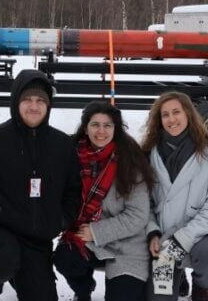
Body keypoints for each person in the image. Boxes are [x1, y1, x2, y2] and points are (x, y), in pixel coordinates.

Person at [0, 69, 82, 301]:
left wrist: (61, 219)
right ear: (16, 101)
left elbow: (73, 190)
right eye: (27, 100)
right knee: (3, 261)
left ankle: (21, 274)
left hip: (36, 237)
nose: (34, 106)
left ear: (48, 105)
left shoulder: (62, 145)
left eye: (40, 101)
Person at [54, 101, 156, 301]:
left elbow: (137, 215)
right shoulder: (72, 157)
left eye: (107, 125)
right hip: (87, 240)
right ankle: (83, 290)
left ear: (115, 129)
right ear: (85, 128)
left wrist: (96, 232)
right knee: (65, 258)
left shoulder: (130, 160)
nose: (101, 131)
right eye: (95, 125)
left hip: (127, 245)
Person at [140, 92, 208, 301]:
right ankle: (176, 276)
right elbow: (143, 203)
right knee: (159, 298)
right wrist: (152, 232)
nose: (171, 119)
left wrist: (181, 240)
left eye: (176, 112)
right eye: (165, 115)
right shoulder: (147, 156)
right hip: (163, 242)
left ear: (189, 114)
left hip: (200, 236)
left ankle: (201, 285)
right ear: (159, 121)